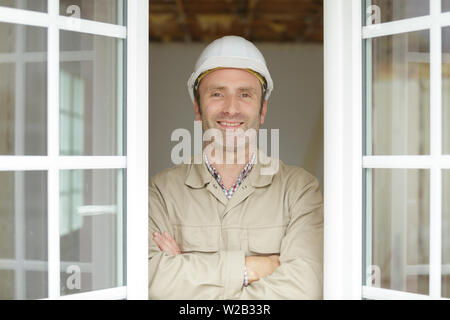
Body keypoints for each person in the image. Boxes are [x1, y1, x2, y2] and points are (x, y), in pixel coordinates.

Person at [148, 35, 323, 300]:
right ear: (197, 107)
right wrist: (251, 269)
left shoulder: (299, 190)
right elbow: (151, 280)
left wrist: (186, 275)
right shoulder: (160, 192)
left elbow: (305, 287)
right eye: (217, 94)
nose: (231, 108)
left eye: (245, 95)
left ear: (262, 109)